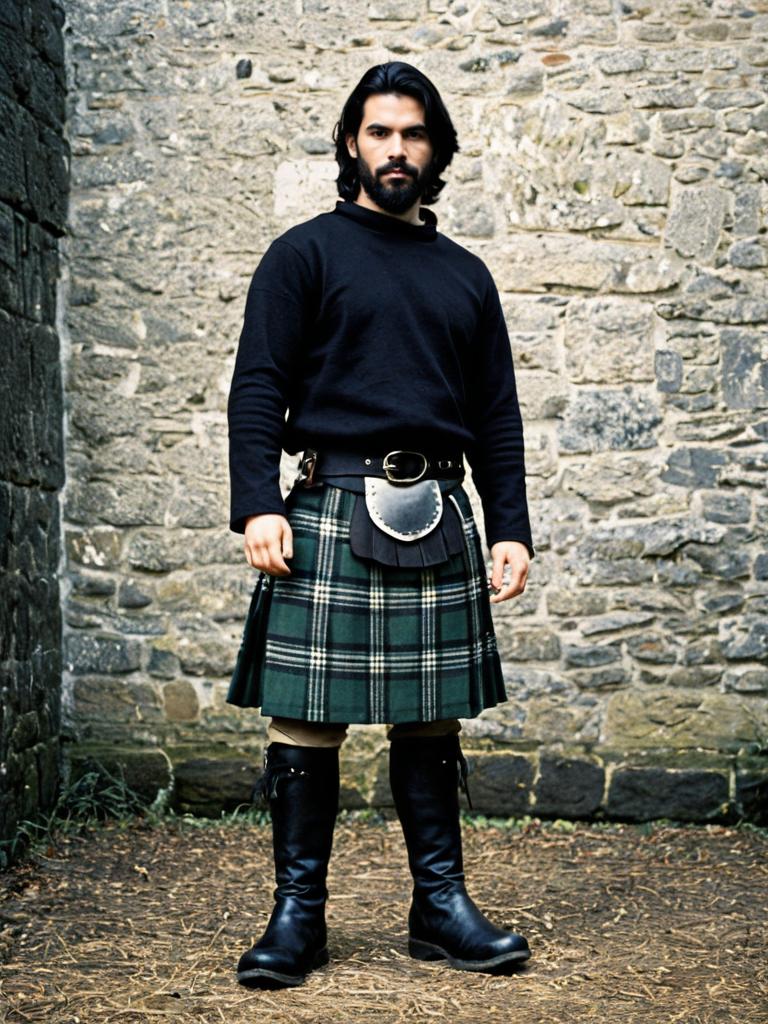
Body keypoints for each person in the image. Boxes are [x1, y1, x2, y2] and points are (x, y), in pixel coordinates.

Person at [226, 60, 535, 989]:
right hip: (330, 501)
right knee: (305, 717)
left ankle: (439, 907)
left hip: (440, 505)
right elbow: (259, 386)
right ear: (351, 144)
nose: (396, 149)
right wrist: (258, 502)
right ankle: (298, 916)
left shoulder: (465, 275)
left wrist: (511, 526)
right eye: (379, 132)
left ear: (435, 149)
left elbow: (496, 414)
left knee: (430, 717)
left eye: (413, 134)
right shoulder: (304, 255)